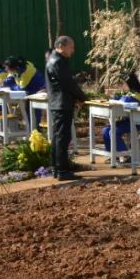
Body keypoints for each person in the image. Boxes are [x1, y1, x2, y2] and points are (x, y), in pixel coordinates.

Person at [46, 36, 87, 180]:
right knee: (62, 137)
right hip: (61, 103)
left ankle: (56, 168)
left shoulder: (55, 60)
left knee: (59, 136)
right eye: (71, 47)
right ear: (61, 46)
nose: (73, 50)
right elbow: (68, 83)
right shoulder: (57, 61)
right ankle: (62, 170)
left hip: (59, 103)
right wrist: (82, 98)